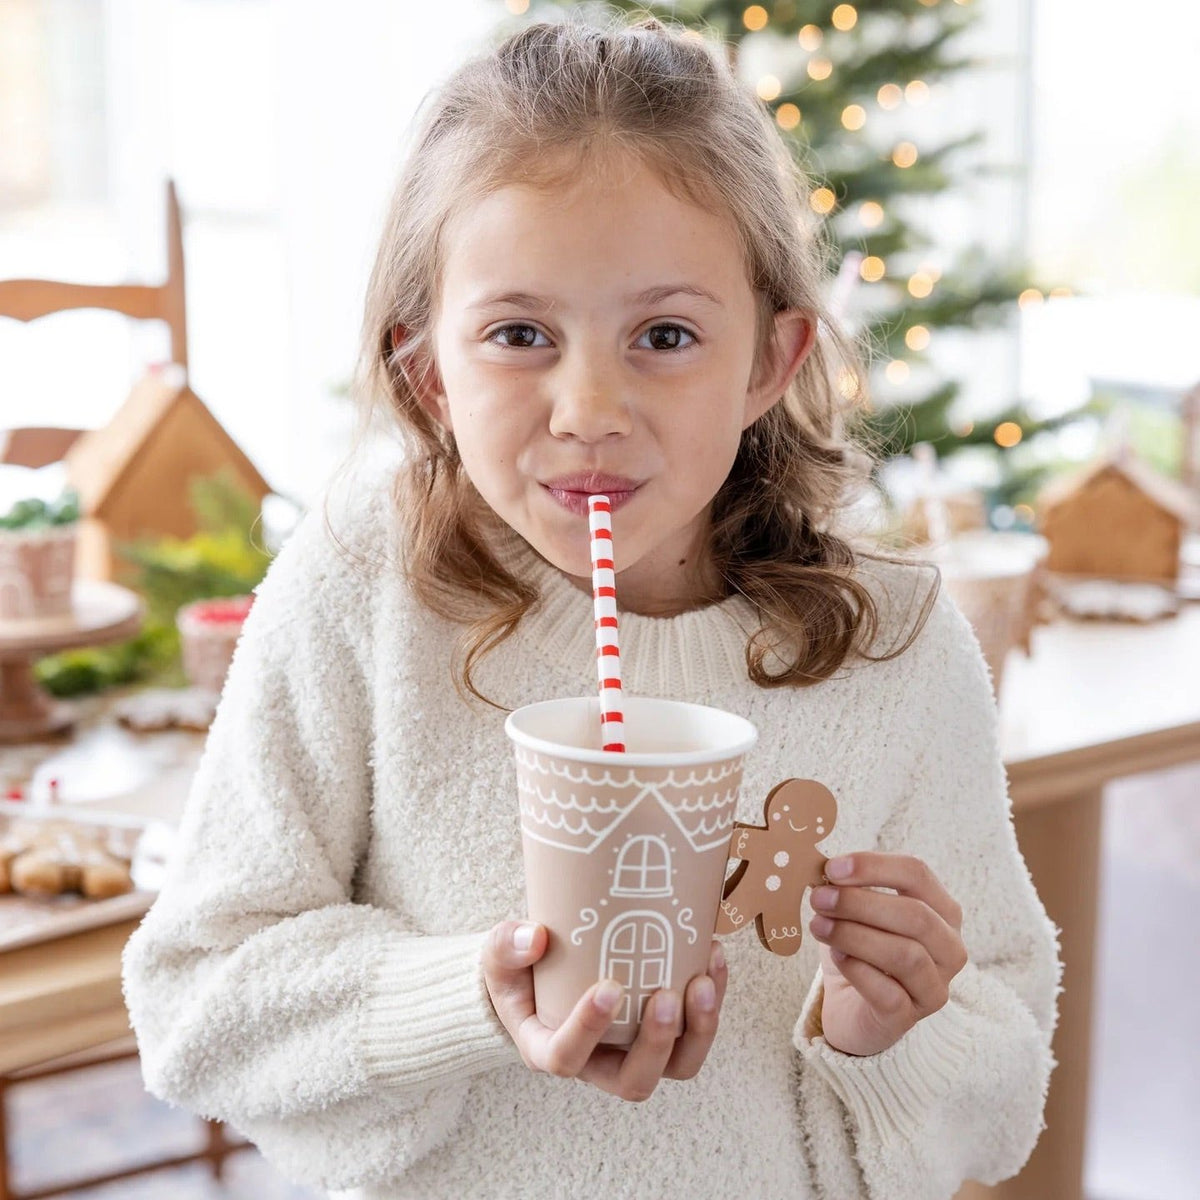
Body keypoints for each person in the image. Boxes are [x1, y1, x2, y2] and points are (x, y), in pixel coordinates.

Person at [122, 15, 1061, 1200]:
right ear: (431, 373)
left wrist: (892, 1033)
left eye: (665, 335)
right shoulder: (365, 584)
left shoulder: (897, 652)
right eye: (520, 334)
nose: (588, 407)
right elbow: (198, 1001)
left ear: (770, 363)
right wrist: (470, 996)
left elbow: (1002, 1105)